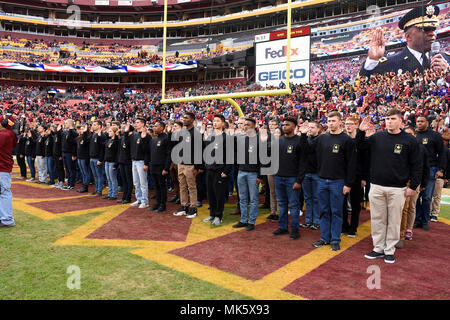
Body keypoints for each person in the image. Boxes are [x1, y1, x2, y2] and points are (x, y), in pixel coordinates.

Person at [358, 108, 422, 264]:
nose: (389, 122)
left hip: (397, 188)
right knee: (377, 219)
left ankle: (389, 250)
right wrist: (360, 132)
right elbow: (360, 148)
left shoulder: (410, 140)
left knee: (394, 220)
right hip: (376, 186)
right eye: (387, 119)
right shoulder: (377, 137)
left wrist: (413, 186)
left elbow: (417, 165)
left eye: (393, 119)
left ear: (401, 121)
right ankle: (378, 248)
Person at [300, 111, 356, 251]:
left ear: (339, 122)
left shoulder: (346, 140)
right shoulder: (322, 138)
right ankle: (325, 238)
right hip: (321, 180)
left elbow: (351, 164)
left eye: (333, 121)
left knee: (336, 211)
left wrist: (348, 184)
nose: (331, 123)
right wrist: (302, 135)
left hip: (338, 182)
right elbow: (307, 150)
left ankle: (335, 239)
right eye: (329, 121)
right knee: (323, 211)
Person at [360, 4, 449, 77]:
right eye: (425, 29)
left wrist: (447, 74)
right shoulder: (390, 63)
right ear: (408, 36)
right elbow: (362, 85)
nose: (432, 33)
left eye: (433, 29)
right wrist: (372, 60)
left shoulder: (447, 59)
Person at [271, 117, 305, 240]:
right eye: (283, 124)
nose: (284, 126)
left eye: (287, 124)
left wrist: (299, 180)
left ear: (294, 126)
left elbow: (303, 163)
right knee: (282, 204)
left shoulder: (300, 141)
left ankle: (295, 230)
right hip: (279, 177)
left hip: (293, 179)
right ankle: (283, 227)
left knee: (294, 206)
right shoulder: (279, 140)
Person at [397, 126, 429, 248]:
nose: (408, 136)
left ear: (415, 135)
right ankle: (397, 230)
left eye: (411, 134)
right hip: (402, 180)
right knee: (400, 208)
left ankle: (408, 229)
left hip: (414, 182)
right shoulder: (401, 145)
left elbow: (425, 167)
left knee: (410, 207)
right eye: (406, 134)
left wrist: (423, 183)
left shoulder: (421, 148)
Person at [414, 115, 445, 230]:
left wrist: (441, 169)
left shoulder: (435, 135)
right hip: (416, 169)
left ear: (427, 122)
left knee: (427, 197)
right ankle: (416, 219)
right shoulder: (413, 134)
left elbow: (442, 153)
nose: (419, 123)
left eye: (422, 121)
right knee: (415, 196)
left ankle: (425, 220)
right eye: (417, 121)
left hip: (431, 168)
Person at [342, 116, 369, 238]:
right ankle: (344, 225)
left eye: (351, 123)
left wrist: (364, 178)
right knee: (342, 203)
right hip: (343, 175)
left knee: (355, 203)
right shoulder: (342, 139)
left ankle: (353, 227)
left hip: (357, 176)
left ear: (356, 125)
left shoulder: (362, 141)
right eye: (346, 123)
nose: (348, 126)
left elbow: (365, 161)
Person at [202, 114, 232, 226]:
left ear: (223, 123)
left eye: (218, 121)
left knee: (219, 195)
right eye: (214, 121)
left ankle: (219, 216)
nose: (215, 123)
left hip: (220, 171)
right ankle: (212, 214)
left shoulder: (227, 138)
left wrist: (226, 171)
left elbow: (230, 156)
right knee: (210, 194)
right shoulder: (210, 137)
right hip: (210, 170)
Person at [232, 118, 261, 232]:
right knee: (242, 198)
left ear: (254, 126)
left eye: (248, 125)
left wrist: (260, 176)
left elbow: (263, 160)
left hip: (253, 174)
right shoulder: (242, 140)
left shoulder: (259, 140)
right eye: (244, 125)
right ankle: (243, 219)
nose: (245, 127)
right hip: (241, 171)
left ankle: (251, 221)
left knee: (253, 199)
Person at [173, 112, 203, 219]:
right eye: (183, 118)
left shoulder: (196, 133)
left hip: (191, 165)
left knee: (192, 187)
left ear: (192, 120)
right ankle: (184, 206)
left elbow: (199, 151)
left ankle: (193, 207)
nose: (184, 119)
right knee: (182, 186)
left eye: (186, 118)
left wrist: (198, 167)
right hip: (181, 163)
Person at [300, 121, 321, 230]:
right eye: (309, 127)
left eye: (312, 127)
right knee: (308, 198)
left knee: (317, 198)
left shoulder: (320, 139)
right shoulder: (306, 139)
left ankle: (316, 221)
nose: (310, 129)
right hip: (307, 172)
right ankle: (308, 220)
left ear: (318, 129)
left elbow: (309, 148)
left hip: (317, 173)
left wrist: (303, 136)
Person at [147, 121, 171, 213]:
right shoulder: (153, 139)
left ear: (162, 127)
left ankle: (162, 204)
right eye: (154, 126)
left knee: (162, 185)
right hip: (153, 165)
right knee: (156, 185)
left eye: (156, 126)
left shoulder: (166, 138)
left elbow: (169, 154)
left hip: (161, 166)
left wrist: (166, 168)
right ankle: (157, 202)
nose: (154, 127)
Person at [0, 114, 18, 228]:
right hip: (4, 167)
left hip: (2, 167)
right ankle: (4, 217)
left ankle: (7, 219)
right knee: (3, 192)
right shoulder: (10, 133)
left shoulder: (4, 134)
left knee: (4, 192)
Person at [130, 117, 151, 209]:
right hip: (134, 161)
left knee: (143, 183)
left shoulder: (147, 135)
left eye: (138, 122)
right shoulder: (134, 135)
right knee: (136, 182)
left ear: (143, 124)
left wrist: (146, 163)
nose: (136, 124)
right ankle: (138, 199)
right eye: (135, 122)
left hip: (141, 161)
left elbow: (147, 150)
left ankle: (145, 201)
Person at [117, 123, 133, 204]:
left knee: (128, 180)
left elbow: (127, 146)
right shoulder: (122, 137)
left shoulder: (130, 138)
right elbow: (119, 150)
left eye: (124, 128)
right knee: (124, 180)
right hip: (122, 161)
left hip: (128, 162)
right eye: (121, 128)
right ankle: (124, 197)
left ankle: (128, 197)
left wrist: (127, 133)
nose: (121, 129)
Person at [89, 120, 106, 196]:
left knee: (99, 175)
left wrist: (100, 159)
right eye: (93, 124)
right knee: (95, 175)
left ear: (99, 126)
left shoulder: (102, 135)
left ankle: (99, 190)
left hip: (97, 158)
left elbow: (102, 149)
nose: (93, 126)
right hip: (92, 157)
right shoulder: (93, 135)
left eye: (95, 125)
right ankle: (96, 189)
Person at [61, 119, 78, 190]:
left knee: (71, 170)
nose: (65, 124)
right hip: (64, 152)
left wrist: (74, 155)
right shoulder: (66, 132)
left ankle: (71, 184)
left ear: (70, 124)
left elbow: (74, 145)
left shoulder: (74, 132)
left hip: (70, 153)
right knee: (67, 170)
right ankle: (68, 184)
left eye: (66, 123)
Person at [104, 126, 119, 200]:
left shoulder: (117, 142)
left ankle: (114, 194)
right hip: (107, 161)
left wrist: (116, 164)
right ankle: (110, 193)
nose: (108, 132)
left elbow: (117, 154)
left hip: (113, 162)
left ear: (115, 132)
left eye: (110, 131)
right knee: (109, 179)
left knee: (113, 179)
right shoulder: (108, 140)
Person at [76, 124, 91, 193]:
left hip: (84, 157)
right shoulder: (79, 137)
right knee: (83, 172)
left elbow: (84, 142)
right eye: (81, 129)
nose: (81, 130)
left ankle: (85, 186)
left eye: (83, 129)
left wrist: (85, 132)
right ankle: (84, 185)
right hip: (79, 157)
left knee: (86, 172)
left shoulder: (87, 137)